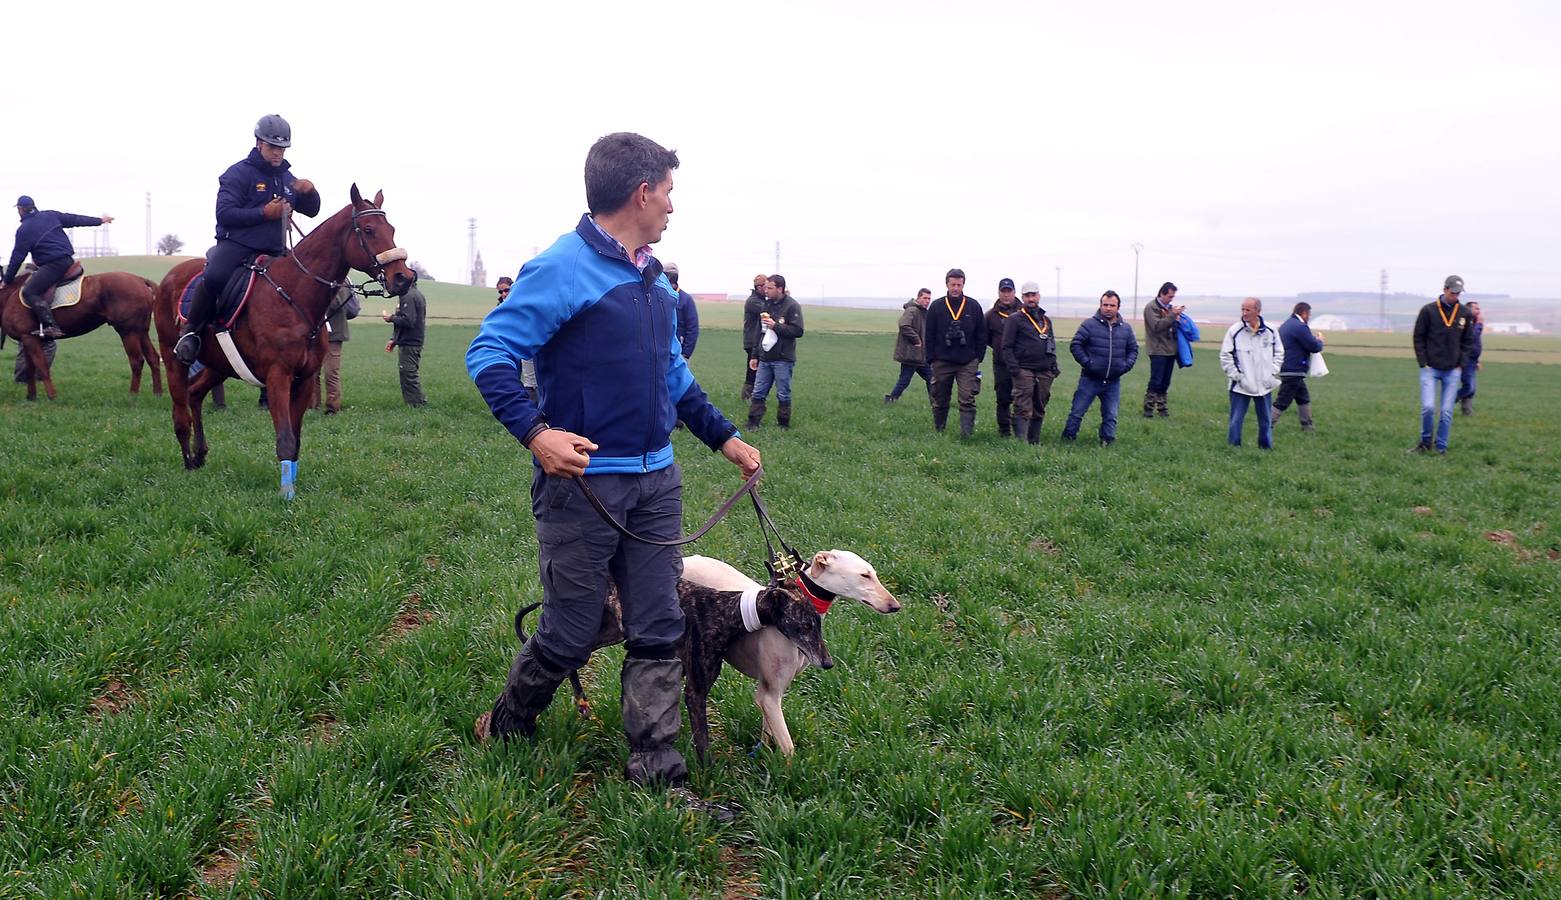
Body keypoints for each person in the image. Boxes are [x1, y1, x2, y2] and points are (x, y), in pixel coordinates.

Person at [465, 131, 760, 792]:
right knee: (571, 631)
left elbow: (674, 377)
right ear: (641, 193)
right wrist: (536, 434)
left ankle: (657, 769)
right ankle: (509, 720)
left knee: (659, 625)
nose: (672, 207)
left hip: (657, 483)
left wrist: (724, 437)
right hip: (584, 491)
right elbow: (488, 353)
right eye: (668, 193)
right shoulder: (562, 267)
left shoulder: (655, 282)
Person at [174, 114, 322, 365]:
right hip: (237, 246)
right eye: (273, 147)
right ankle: (191, 333)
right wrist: (264, 213)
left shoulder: (287, 178)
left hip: (274, 251)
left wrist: (310, 194)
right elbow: (224, 213)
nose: (278, 153)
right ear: (259, 143)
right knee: (214, 276)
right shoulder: (237, 174)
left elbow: (312, 211)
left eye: (282, 148)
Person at [3, 196, 114, 339]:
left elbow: (17, 258)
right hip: (67, 260)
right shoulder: (50, 215)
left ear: (20, 209)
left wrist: (7, 280)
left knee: (29, 291)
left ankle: (51, 326)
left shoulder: (24, 230)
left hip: (53, 265)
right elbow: (75, 219)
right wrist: (100, 221)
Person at [1060, 291, 1137, 446]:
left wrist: (1125, 366)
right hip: (1090, 379)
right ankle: (1068, 439)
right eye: (1105, 305)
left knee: (1111, 415)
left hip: (1113, 381)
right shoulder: (1089, 325)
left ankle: (1107, 441)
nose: (1108, 308)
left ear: (1118, 307)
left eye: (1112, 305)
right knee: (1077, 412)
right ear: (1100, 305)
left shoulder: (1126, 329)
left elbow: (1133, 350)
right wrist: (1088, 363)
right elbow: (1076, 345)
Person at [1411, 275, 1477, 454]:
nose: (1456, 296)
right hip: (1430, 368)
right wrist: (1423, 362)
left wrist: (1461, 363)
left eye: (1458, 293)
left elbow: (1468, 340)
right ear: (1445, 289)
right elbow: (1418, 337)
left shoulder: (1464, 313)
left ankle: (1441, 448)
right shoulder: (1428, 310)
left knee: (1447, 411)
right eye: (1453, 292)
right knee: (1428, 408)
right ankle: (1425, 443)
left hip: (1452, 370)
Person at [923, 268, 987, 436]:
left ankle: (967, 435)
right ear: (947, 284)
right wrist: (931, 359)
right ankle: (939, 431)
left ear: (963, 284)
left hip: (967, 362)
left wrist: (978, 357)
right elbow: (929, 334)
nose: (956, 288)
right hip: (942, 361)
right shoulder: (937, 306)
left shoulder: (973, 306)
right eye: (953, 285)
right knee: (940, 398)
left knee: (967, 398)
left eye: (959, 285)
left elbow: (981, 333)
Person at [1002, 281, 1060, 444]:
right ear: (1022, 297)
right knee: (1022, 406)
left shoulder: (1046, 320)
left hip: (1044, 370)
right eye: (1027, 295)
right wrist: (1015, 370)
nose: (1031, 299)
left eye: (1033, 295)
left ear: (1038, 296)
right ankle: (1021, 443)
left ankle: (1034, 441)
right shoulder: (1014, 319)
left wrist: (1053, 366)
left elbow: (1051, 344)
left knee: (1040, 405)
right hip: (1023, 369)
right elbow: (1006, 346)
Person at [1219, 297, 1281, 449]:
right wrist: (1238, 377)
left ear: (1258, 311)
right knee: (1236, 419)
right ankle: (1234, 447)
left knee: (1265, 419)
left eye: (1248, 310)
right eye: (1242, 309)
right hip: (1241, 386)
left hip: (1264, 384)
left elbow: (1279, 353)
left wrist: (1272, 371)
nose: (1244, 313)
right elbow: (1225, 356)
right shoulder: (1235, 331)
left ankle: (1265, 447)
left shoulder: (1271, 331)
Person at [746, 274, 804, 428]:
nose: (766, 291)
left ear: (780, 289)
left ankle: (783, 424)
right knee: (758, 391)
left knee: (783, 393)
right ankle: (753, 422)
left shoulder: (792, 306)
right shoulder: (766, 305)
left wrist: (776, 326)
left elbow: (798, 331)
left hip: (783, 358)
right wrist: (755, 355)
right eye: (765, 288)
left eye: (770, 288)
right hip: (765, 357)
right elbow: (759, 331)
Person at [1271, 301, 1325, 432]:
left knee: (1303, 398)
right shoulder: (1300, 327)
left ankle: (1307, 427)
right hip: (1294, 369)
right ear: (1304, 313)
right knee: (1283, 401)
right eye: (1309, 315)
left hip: (1287, 367)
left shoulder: (1286, 325)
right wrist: (1320, 341)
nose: (1309, 318)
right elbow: (1313, 346)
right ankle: (1266, 424)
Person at [984, 277, 1020, 436]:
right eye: (1003, 291)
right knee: (1003, 398)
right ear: (998, 293)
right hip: (1001, 363)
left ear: (1014, 292)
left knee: (1022, 397)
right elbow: (985, 338)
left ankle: (1021, 430)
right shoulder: (990, 315)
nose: (1006, 295)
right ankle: (1004, 430)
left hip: (1022, 363)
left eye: (1009, 291)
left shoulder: (1024, 312)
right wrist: (1000, 348)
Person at [1141, 281, 1184, 418]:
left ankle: (1162, 408)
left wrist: (1178, 319)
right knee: (1156, 380)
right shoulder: (1151, 307)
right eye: (1170, 296)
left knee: (1165, 382)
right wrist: (1172, 315)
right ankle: (1148, 409)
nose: (1171, 299)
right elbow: (1157, 326)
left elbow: (1171, 326)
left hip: (1170, 350)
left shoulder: (1169, 308)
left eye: (1173, 297)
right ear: (1162, 294)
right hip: (1157, 350)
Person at [885, 288, 933, 403]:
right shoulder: (912, 310)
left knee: (932, 379)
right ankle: (891, 399)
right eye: (925, 298)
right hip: (911, 354)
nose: (927, 301)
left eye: (929, 298)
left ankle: (935, 403)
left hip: (919, 355)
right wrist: (916, 339)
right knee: (904, 380)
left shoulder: (922, 312)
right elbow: (904, 325)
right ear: (918, 298)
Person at [495, 277, 538, 401]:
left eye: (506, 290)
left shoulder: (524, 302)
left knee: (532, 381)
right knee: (513, 379)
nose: (504, 294)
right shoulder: (501, 307)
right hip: (510, 347)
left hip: (528, 345)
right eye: (500, 292)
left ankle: (533, 408)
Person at [384, 282, 426, 406]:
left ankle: (416, 404)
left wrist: (391, 318)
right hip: (410, 340)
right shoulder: (415, 294)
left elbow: (408, 320)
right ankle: (414, 403)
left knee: (408, 373)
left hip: (410, 341)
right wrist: (394, 339)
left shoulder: (408, 296)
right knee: (407, 372)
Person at [317, 284, 357, 414]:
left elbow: (336, 304)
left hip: (334, 333)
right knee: (312, 372)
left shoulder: (341, 282)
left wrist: (320, 292)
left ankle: (333, 406)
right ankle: (312, 404)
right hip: (316, 332)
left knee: (331, 372)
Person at [665, 262, 699, 359]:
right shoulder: (659, 297)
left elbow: (692, 328)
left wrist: (686, 353)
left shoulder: (686, 300)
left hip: (679, 354)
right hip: (661, 353)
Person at [740, 273, 766, 400]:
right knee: (752, 371)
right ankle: (747, 396)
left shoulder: (760, 300)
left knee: (757, 371)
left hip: (758, 340)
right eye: (766, 286)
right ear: (759, 287)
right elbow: (768, 312)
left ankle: (755, 396)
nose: (767, 289)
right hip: (752, 341)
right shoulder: (753, 301)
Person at [1457, 301, 1484, 415]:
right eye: (1476, 309)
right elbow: (1471, 337)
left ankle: (1467, 411)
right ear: (1469, 310)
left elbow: (1474, 344)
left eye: (1479, 309)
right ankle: (1446, 405)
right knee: (1468, 387)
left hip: (1472, 360)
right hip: (1465, 359)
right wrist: (1479, 324)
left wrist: (1477, 360)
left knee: (1472, 389)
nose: (1479, 311)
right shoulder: (1463, 321)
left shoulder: (1473, 323)